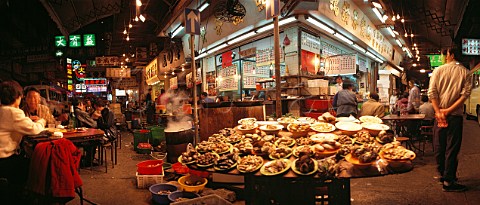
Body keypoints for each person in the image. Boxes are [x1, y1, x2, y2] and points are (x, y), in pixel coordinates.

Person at [428, 46, 472, 192]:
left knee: (439, 145)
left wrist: (438, 111)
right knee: (452, 148)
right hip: (455, 117)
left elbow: (432, 93)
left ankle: (443, 174)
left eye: (446, 54)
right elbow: (464, 95)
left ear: (451, 54)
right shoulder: (465, 72)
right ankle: (448, 180)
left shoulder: (438, 70)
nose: (445, 56)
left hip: (439, 115)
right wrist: (448, 110)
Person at [0, 81, 46, 204]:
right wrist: (41, 121)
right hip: (5, 160)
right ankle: (19, 197)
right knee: (33, 166)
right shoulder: (14, 112)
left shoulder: (2, 110)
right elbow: (35, 129)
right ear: (17, 98)